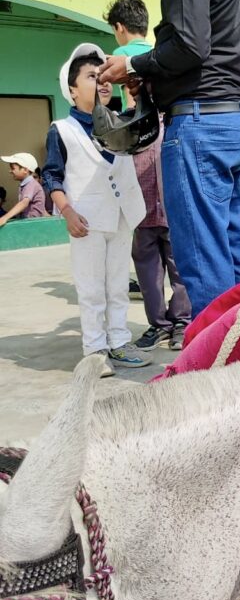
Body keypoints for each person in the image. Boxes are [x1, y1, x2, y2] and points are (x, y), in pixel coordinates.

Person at [98, 0, 240, 317]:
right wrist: (151, 71)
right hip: (233, 122)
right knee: (238, 259)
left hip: (200, 127)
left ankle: (218, 359)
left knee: (203, 264)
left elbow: (189, 45)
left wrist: (133, 65)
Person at [42, 44, 149, 377]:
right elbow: (52, 175)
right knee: (90, 288)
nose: (102, 82)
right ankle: (95, 350)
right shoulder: (62, 130)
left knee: (117, 285)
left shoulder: (121, 122)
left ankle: (119, 341)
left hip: (121, 216)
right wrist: (67, 211)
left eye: (104, 77)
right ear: (72, 90)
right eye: (92, 77)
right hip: (86, 221)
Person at [131, 124, 191, 351]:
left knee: (180, 270)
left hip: (174, 210)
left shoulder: (176, 121)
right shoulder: (134, 126)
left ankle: (182, 321)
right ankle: (159, 324)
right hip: (142, 211)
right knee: (148, 274)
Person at [103, 0, 153, 109]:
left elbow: (131, 100)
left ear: (119, 27)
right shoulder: (154, 52)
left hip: (137, 116)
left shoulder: (121, 53)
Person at [0, 152, 47, 226]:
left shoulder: (31, 184)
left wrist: (5, 218)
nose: (10, 171)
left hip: (33, 225)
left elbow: (24, 203)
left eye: (13, 168)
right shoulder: (26, 185)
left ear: (25, 170)